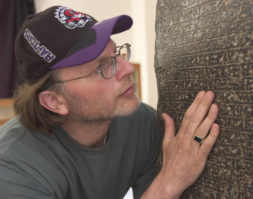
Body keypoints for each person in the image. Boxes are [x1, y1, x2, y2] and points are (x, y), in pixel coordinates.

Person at [0, 6, 220, 199]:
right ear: (55, 101)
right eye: (101, 67)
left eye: (116, 53)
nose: (127, 69)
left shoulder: (141, 124)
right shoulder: (13, 165)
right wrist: (170, 182)